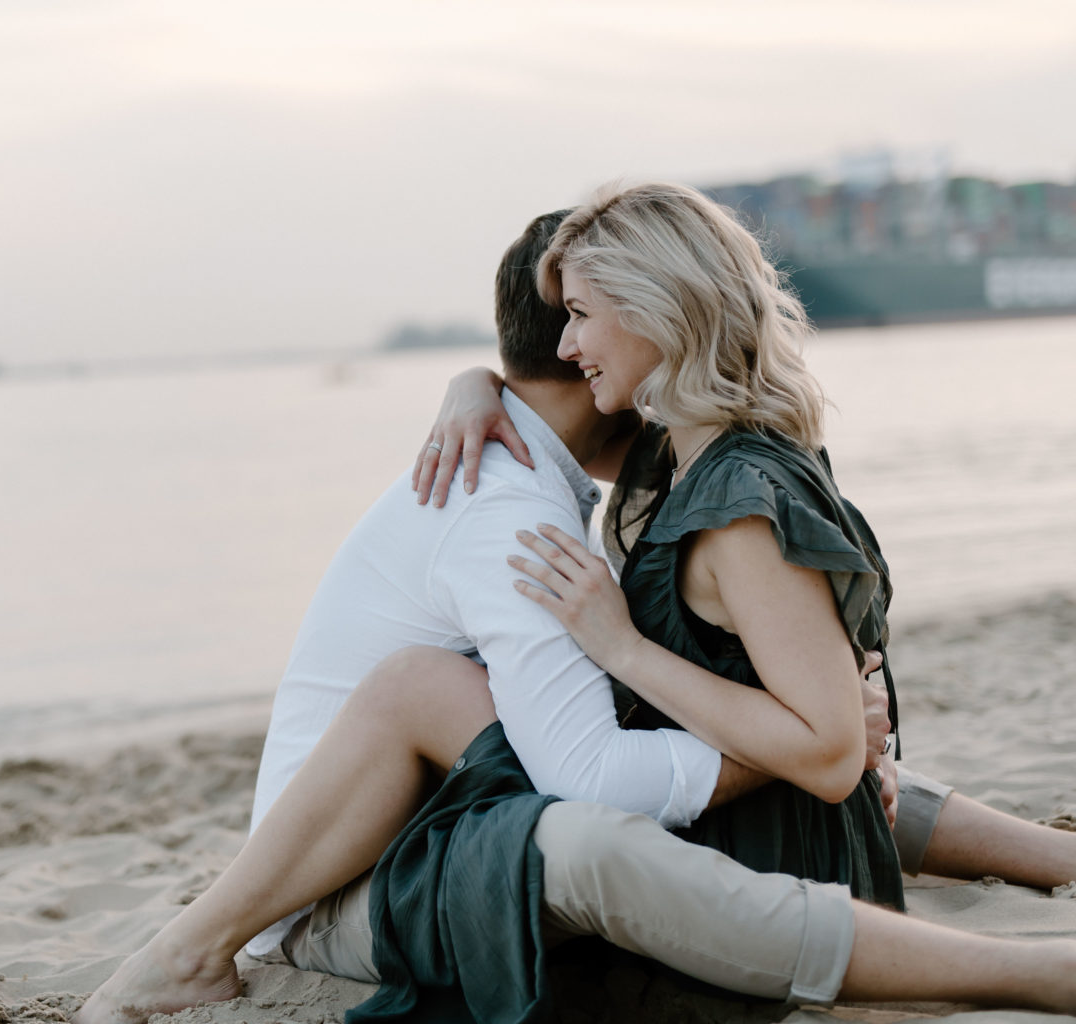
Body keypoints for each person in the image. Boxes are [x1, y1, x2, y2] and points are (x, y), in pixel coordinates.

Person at [73, 196, 1076, 1023]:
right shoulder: (516, 509)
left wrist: (810, 733)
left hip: (455, 811)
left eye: (588, 314)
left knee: (719, 739)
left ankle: (1056, 870)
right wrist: (803, 739)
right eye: (568, 324)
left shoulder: (651, 476)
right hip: (354, 871)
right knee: (640, 774)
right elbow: (601, 773)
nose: (575, 342)